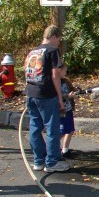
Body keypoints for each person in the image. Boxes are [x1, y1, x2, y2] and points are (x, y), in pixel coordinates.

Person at [24, 25, 70, 173]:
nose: (59, 43)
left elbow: (27, 71)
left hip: (32, 92)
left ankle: (38, 161)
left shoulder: (33, 51)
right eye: (59, 40)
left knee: (35, 127)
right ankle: (51, 162)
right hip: (46, 94)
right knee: (52, 128)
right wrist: (60, 97)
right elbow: (55, 75)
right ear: (54, 36)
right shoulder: (52, 51)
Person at [58, 64, 78, 159]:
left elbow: (71, 89)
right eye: (64, 71)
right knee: (61, 132)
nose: (66, 73)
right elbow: (57, 97)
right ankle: (52, 148)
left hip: (68, 110)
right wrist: (67, 96)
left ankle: (65, 150)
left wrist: (76, 90)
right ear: (58, 71)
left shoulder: (66, 81)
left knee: (70, 130)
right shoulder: (54, 83)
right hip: (61, 112)